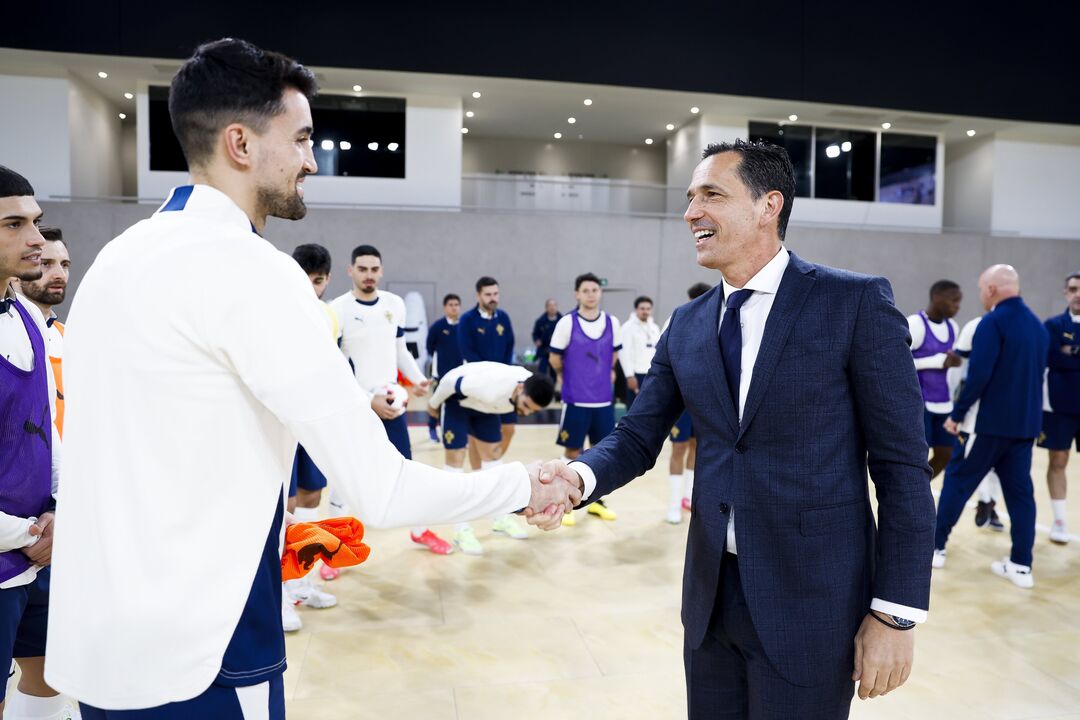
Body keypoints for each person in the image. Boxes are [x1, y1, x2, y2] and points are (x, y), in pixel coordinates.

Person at [45, 39, 579, 717]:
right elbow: (381, 490)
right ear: (240, 143)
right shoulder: (255, 271)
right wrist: (524, 484)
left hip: (100, 644)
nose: (311, 160)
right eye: (300, 139)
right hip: (204, 651)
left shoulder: (114, 260)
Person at [530, 140, 935, 716]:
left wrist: (895, 613)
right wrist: (576, 477)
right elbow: (638, 435)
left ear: (769, 205)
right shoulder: (688, 323)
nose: (691, 212)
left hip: (813, 604)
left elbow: (901, 465)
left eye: (711, 195)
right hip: (711, 600)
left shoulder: (852, 303)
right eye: (690, 197)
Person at [0, 168, 77, 720]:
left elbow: (48, 435)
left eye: (36, 222)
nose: (35, 239)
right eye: (14, 224)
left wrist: (60, 513)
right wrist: (27, 535)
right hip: (19, 544)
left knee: (51, 673)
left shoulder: (29, 322)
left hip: (37, 549)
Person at [330, 245, 454, 555]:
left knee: (406, 471)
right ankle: (334, 548)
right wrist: (367, 399)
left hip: (392, 405)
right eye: (362, 269)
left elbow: (400, 350)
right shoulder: (338, 309)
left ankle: (419, 531)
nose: (369, 275)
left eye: (374, 269)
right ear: (350, 270)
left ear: (381, 271)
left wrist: (417, 378)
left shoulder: (394, 304)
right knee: (345, 478)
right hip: (356, 407)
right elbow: (335, 366)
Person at [934, 265, 1049, 588]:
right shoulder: (1038, 327)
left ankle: (934, 547)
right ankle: (1021, 566)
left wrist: (957, 414)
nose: (982, 295)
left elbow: (979, 374)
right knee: (1021, 495)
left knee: (957, 482)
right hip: (1024, 428)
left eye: (982, 289)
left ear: (992, 289)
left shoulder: (992, 322)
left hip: (986, 426)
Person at [427, 362, 556, 553]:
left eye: (533, 411)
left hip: (486, 408)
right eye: (526, 406)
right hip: (457, 403)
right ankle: (461, 529)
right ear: (520, 389)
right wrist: (433, 404)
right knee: (456, 463)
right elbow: (449, 382)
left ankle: (500, 517)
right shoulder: (489, 387)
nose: (527, 413)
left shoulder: (528, 385)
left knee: (493, 459)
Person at [281, 243, 340, 634]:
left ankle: (301, 582)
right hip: (280, 421)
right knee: (282, 505)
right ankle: (279, 594)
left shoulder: (330, 317)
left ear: (327, 280)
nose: (311, 288)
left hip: (312, 422)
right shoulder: (275, 311)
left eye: (317, 281)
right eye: (305, 280)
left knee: (311, 498)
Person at [456, 276, 528, 539]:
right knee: (477, 439)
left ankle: (489, 470)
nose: (493, 298)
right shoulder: (467, 320)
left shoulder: (503, 318)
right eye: (488, 294)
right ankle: (484, 477)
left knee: (509, 430)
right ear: (478, 295)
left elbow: (509, 348)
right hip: (478, 388)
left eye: (496, 293)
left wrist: (507, 377)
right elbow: (468, 353)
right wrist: (489, 379)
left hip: (504, 388)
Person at [550, 272, 624, 525]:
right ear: (577, 294)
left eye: (594, 290)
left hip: (603, 401)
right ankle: (564, 503)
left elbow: (614, 355)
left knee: (600, 453)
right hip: (575, 400)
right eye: (586, 291)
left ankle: (596, 502)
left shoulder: (612, 322)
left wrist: (607, 371)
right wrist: (564, 375)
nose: (591, 295)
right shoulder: (566, 323)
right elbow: (554, 358)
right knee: (572, 450)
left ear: (600, 293)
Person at [948, 315, 1005, 532]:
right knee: (973, 463)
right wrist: (955, 404)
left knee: (1001, 466)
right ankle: (984, 501)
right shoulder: (974, 326)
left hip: (1009, 412)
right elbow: (958, 364)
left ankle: (988, 503)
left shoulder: (1024, 327)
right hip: (977, 411)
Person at [664, 282, 710, 524]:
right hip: (681, 400)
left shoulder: (719, 320)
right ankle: (673, 504)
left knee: (696, 447)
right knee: (679, 448)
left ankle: (688, 497)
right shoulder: (676, 321)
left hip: (704, 401)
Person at [1039, 271, 1080, 544]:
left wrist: (1071, 350)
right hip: (1059, 406)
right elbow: (1052, 357)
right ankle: (1060, 520)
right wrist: (1065, 354)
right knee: (1058, 460)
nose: (1078, 294)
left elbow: (1065, 356)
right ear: (1066, 293)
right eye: (1073, 289)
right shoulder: (1053, 325)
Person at [907, 280, 962, 479]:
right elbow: (898, 363)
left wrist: (955, 363)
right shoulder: (915, 324)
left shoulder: (953, 327)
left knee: (945, 454)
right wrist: (938, 361)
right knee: (917, 457)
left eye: (959, 301)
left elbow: (950, 365)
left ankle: (918, 489)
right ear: (936, 298)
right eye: (953, 300)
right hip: (920, 402)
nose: (957, 306)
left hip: (944, 403)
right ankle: (912, 491)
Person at [19, 227, 70, 438]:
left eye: (64, 265)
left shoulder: (72, 338)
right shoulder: (8, 337)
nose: (60, 275)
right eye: (46, 264)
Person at [425, 294, 463, 443]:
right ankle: (432, 428)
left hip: (460, 373)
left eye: (456, 305)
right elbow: (429, 347)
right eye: (451, 305)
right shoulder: (437, 327)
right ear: (445, 307)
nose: (454, 308)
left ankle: (456, 430)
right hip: (441, 373)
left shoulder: (464, 326)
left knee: (459, 403)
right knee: (437, 402)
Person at [621, 295, 661, 410]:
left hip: (651, 374)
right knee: (635, 409)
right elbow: (624, 353)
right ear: (636, 309)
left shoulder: (654, 328)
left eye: (648, 309)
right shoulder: (628, 327)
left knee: (651, 409)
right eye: (642, 308)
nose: (645, 312)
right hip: (636, 375)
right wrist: (629, 375)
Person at [532, 298, 561, 381]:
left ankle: (553, 387)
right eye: (550, 305)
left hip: (556, 351)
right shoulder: (540, 321)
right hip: (543, 351)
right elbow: (535, 333)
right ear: (546, 308)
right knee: (542, 373)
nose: (552, 308)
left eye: (554, 305)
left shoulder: (561, 321)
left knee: (554, 373)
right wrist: (537, 340)